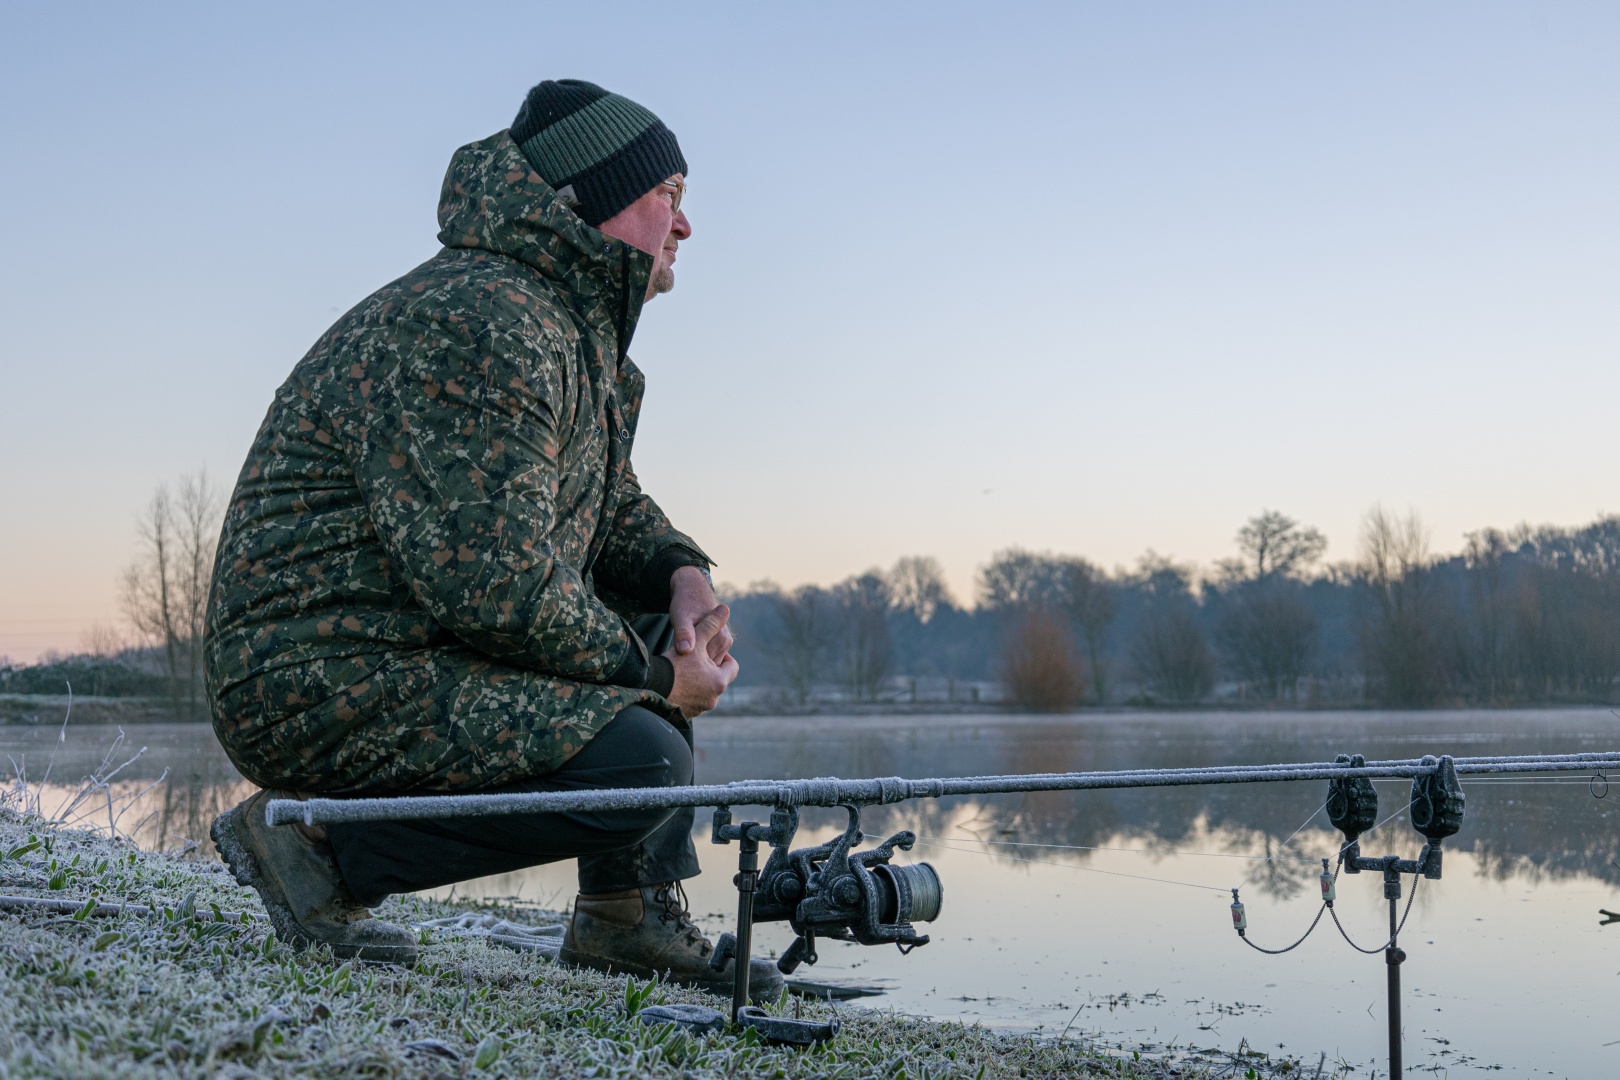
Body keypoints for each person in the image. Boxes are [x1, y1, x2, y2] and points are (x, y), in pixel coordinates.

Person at [204, 79, 779, 999]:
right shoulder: (481, 323)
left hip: (408, 650)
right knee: (641, 758)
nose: (684, 226)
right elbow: (495, 586)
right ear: (587, 202)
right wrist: (661, 680)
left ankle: (623, 919)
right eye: (666, 196)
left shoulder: (565, 331)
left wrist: (681, 573)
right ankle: (314, 849)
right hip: (319, 674)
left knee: (640, 622)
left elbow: (603, 505)